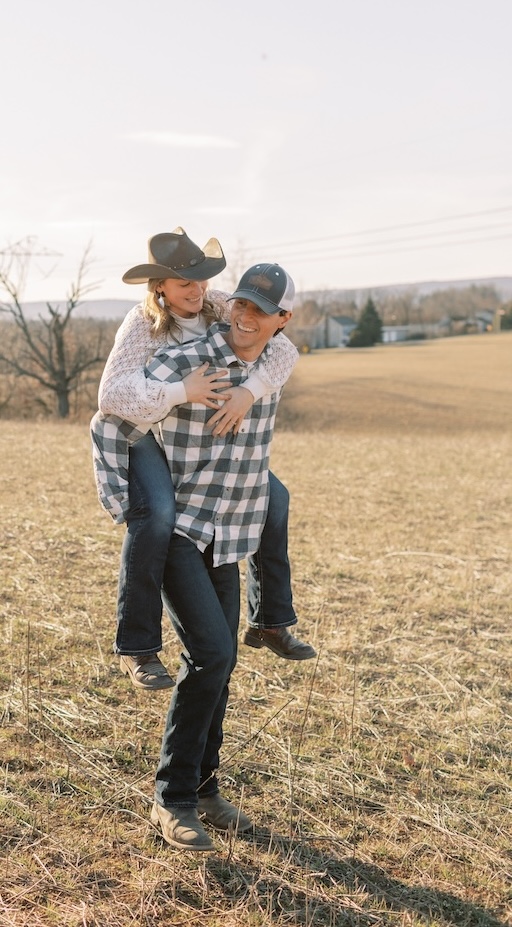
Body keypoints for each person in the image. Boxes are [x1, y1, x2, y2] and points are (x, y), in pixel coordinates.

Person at [91, 228, 315, 692]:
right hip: (142, 433)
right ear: (160, 288)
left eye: (201, 281)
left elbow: (283, 348)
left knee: (273, 496)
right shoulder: (142, 325)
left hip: (192, 437)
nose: (196, 292)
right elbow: (110, 396)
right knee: (157, 516)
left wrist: (248, 393)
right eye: (183, 284)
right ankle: (138, 648)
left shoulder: (217, 306)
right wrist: (182, 391)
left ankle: (271, 618)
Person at [146, 262, 300, 849]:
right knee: (210, 653)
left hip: (229, 536)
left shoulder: (272, 363)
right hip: (180, 531)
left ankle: (204, 790)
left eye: (260, 310)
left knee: (221, 661)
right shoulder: (192, 356)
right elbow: (116, 404)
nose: (243, 315)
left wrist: (249, 387)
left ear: (280, 320)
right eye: (239, 303)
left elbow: (286, 358)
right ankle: (173, 800)